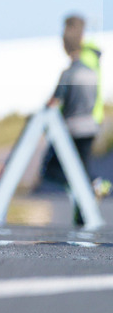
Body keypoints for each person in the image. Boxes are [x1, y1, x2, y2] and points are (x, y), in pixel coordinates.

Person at [42, 15, 101, 225]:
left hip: (72, 128)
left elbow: (55, 101)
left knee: (52, 169)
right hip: (90, 126)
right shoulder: (92, 73)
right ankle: (84, 211)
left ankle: (85, 191)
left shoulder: (68, 74)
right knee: (82, 168)